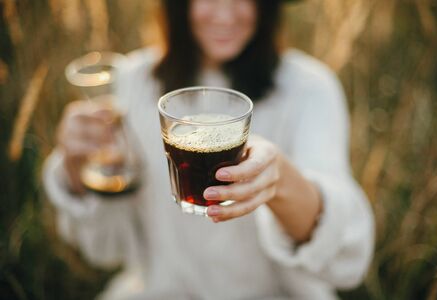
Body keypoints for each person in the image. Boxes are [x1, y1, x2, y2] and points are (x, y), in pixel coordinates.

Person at [43, 0, 375, 299]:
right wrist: (77, 167)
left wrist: (280, 181)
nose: (224, 13)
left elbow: (348, 262)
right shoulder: (135, 82)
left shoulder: (309, 89)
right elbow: (105, 250)